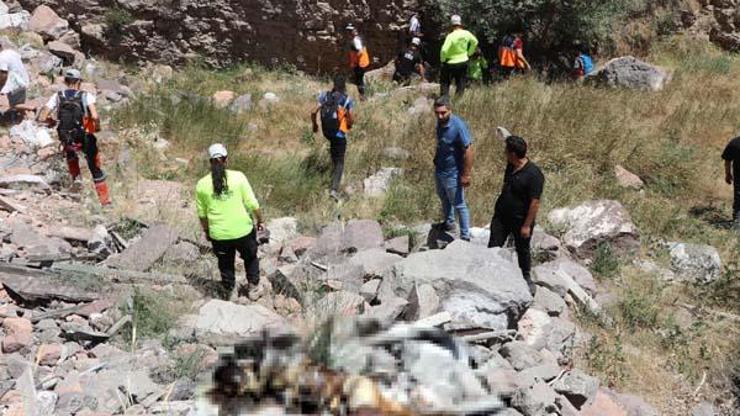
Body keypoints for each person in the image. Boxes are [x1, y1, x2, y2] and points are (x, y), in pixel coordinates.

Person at [196, 143, 265, 300]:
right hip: (243, 230)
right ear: (226, 160)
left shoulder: (201, 185)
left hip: (219, 234)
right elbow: (253, 204)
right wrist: (260, 220)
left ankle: (230, 290)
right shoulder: (238, 177)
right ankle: (253, 288)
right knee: (250, 257)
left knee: (225, 262)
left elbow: (202, 215)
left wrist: (207, 231)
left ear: (210, 162)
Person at [38, 68, 111, 206]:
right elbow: (95, 116)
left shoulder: (57, 96)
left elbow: (43, 116)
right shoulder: (86, 96)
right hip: (84, 135)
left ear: (65, 81)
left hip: (66, 135)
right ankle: (105, 201)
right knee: (94, 165)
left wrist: (52, 122)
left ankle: (77, 191)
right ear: (79, 82)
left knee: (72, 157)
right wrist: (97, 127)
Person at [488, 136, 545, 294]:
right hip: (501, 216)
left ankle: (526, 276)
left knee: (522, 249)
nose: (504, 153)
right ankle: (491, 274)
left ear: (513, 154)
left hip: (521, 220)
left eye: (506, 151)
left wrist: (526, 225)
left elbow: (535, 202)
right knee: (493, 245)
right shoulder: (511, 165)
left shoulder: (534, 175)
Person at [433, 96, 473, 241]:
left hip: (453, 172)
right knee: (443, 197)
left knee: (459, 204)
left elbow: (468, 150)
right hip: (440, 169)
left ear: (450, 110)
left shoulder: (458, 126)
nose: (440, 115)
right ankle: (449, 223)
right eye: (437, 112)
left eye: (443, 112)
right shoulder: (439, 122)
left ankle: (465, 236)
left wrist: (466, 175)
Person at [311, 75, 354, 201]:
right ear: (344, 86)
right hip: (339, 133)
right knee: (340, 161)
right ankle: (334, 189)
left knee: (334, 151)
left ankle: (333, 172)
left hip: (327, 132)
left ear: (334, 85)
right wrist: (349, 122)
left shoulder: (324, 96)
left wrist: (315, 125)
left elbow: (313, 112)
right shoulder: (347, 99)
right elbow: (351, 119)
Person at [439, 15, 478, 97]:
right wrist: (469, 53)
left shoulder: (450, 36)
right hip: (463, 61)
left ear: (451, 25)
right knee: (461, 83)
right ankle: (457, 101)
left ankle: (444, 101)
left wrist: (442, 60)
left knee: (445, 82)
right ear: (460, 23)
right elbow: (475, 42)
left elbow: (443, 50)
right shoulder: (467, 33)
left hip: (450, 62)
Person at [0, 47, 31, 123]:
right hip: (22, 79)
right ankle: (22, 119)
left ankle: (32, 108)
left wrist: (1, 85)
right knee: (19, 103)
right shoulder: (10, 51)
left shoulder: (1, 58)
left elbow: (3, 74)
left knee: (14, 105)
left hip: (14, 84)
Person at [347, 24, 370, 100]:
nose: (349, 32)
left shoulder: (355, 40)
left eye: (351, 30)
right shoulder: (358, 38)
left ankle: (363, 97)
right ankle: (363, 95)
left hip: (360, 64)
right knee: (360, 79)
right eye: (349, 31)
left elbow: (360, 51)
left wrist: (354, 63)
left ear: (355, 31)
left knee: (359, 80)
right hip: (362, 63)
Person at [722, 136, 740, 229]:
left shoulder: (735, 143)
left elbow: (727, 160)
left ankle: (737, 223)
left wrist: (728, 174)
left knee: (738, 200)